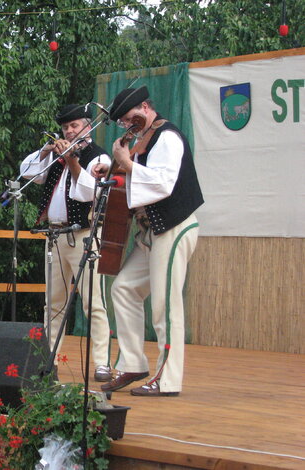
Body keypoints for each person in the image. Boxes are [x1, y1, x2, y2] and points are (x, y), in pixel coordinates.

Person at [100, 86, 203, 396]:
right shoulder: (144, 140)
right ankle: (133, 363)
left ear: (145, 107)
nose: (126, 125)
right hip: (151, 232)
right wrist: (114, 169)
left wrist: (127, 164)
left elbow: (162, 183)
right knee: (124, 288)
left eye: (129, 118)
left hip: (173, 227)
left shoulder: (167, 136)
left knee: (164, 305)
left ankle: (168, 379)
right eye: (122, 122)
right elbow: (135, 180)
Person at [20, 104, 113, 382]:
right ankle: (48, 360)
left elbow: (88, 193)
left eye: (74, 126)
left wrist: (72, 161)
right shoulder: (54, 156)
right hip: (55, 235)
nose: (69, 131)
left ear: (87, 127)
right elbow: (27, 173)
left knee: (92, 302)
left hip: (84, 235)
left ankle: (102, 362)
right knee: (53, 303)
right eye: (65, 128)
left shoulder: (99, 156)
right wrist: (47, 151)